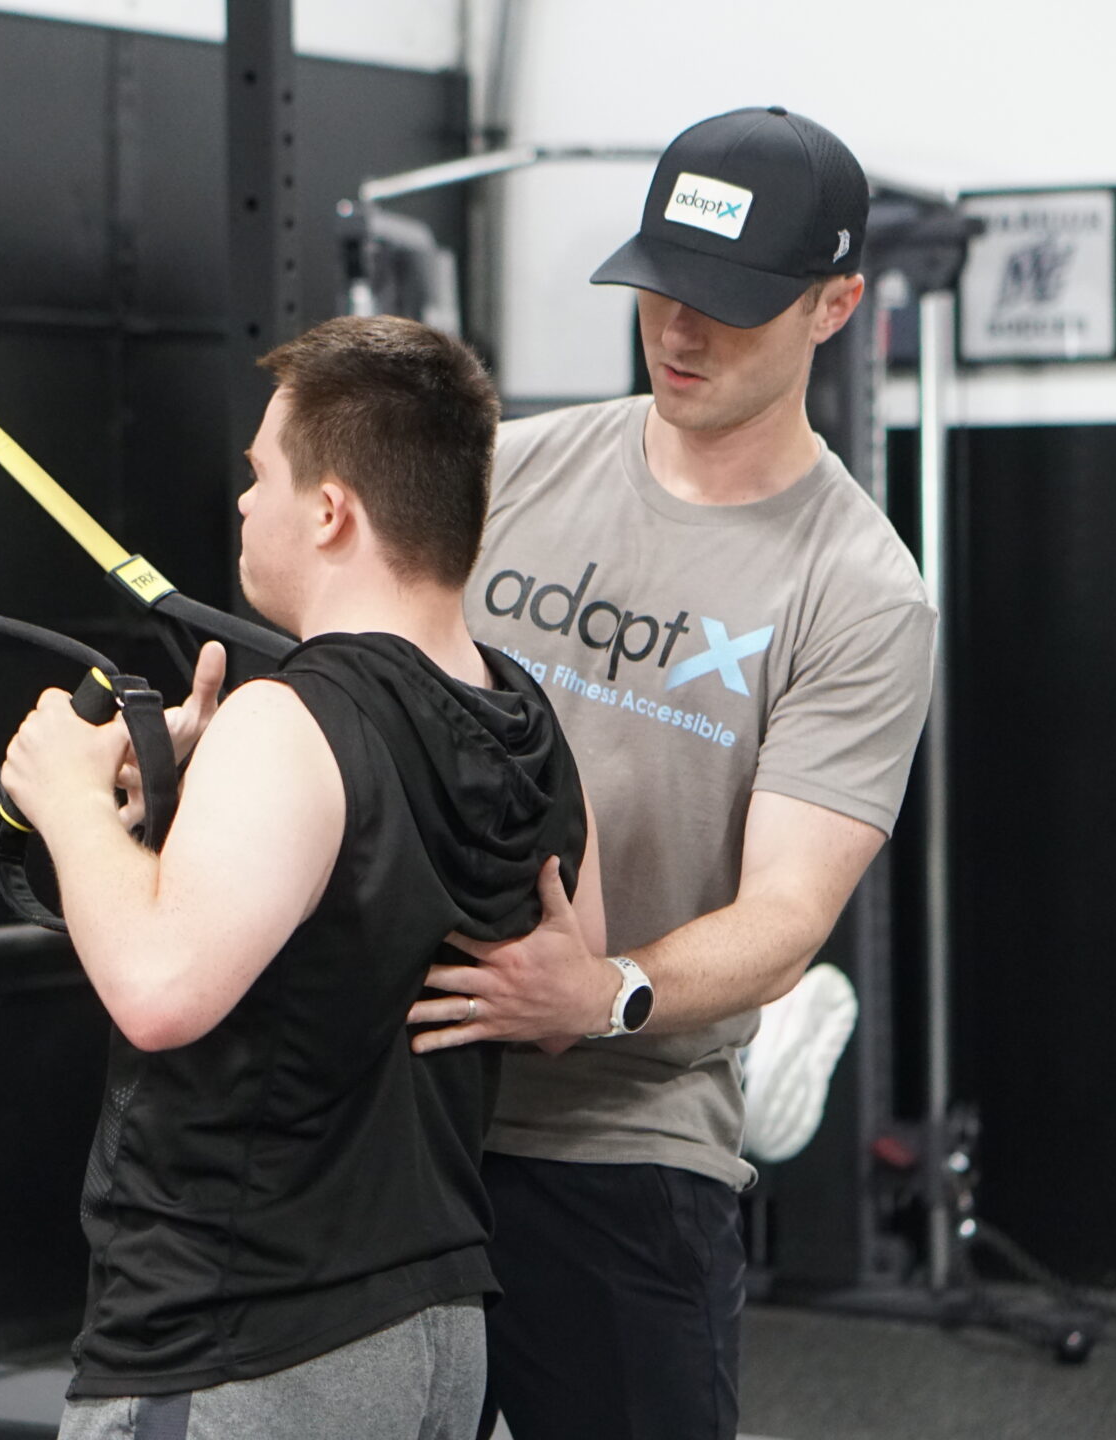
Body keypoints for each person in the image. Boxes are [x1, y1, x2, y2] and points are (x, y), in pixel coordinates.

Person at [401, 106, 938, 1439]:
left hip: (619, 1137)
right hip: (400, 1099)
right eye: (662, 293)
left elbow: (786, 917)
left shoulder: (861, 591)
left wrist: (608, 992)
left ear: (837, 305)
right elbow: (351, 688)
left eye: (729, 306)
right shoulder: (512, 470)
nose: (680, 333)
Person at [0, 315, 601, 1440]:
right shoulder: (528, 724)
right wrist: (187, 811)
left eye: (261, 474)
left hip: (246, 1344)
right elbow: (558, 1001)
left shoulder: (291, 720)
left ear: (330, 511)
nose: (243, 503)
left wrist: (68, 799)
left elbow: (160, 989)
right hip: (434, 1341)